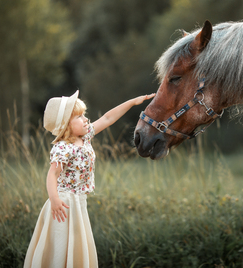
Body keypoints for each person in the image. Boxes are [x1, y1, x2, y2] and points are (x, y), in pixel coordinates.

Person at [24, 90, 155, 268]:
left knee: (76, 244)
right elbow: (52, 174)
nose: (85, 119)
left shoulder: (85, 137)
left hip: (79, 202)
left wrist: (132, 102)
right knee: (61, 245)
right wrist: (54, 199)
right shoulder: (64, 147)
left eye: (83, 114)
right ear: (65, 125)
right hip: (63, 204)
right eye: (78, 116)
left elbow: (108, 118)